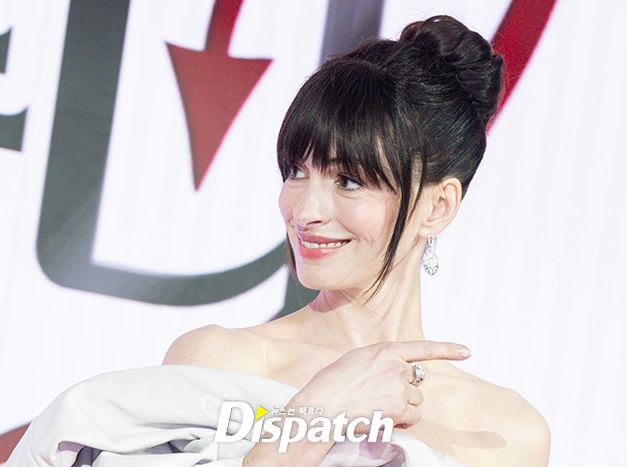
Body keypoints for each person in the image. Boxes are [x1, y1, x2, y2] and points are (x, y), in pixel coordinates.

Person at [163, 15, 550, 467]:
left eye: (348, 181)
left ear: (437, 207)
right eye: (296, 172)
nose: (304, 211)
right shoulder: (217, 363)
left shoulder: (504, 434)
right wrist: (321, 411)